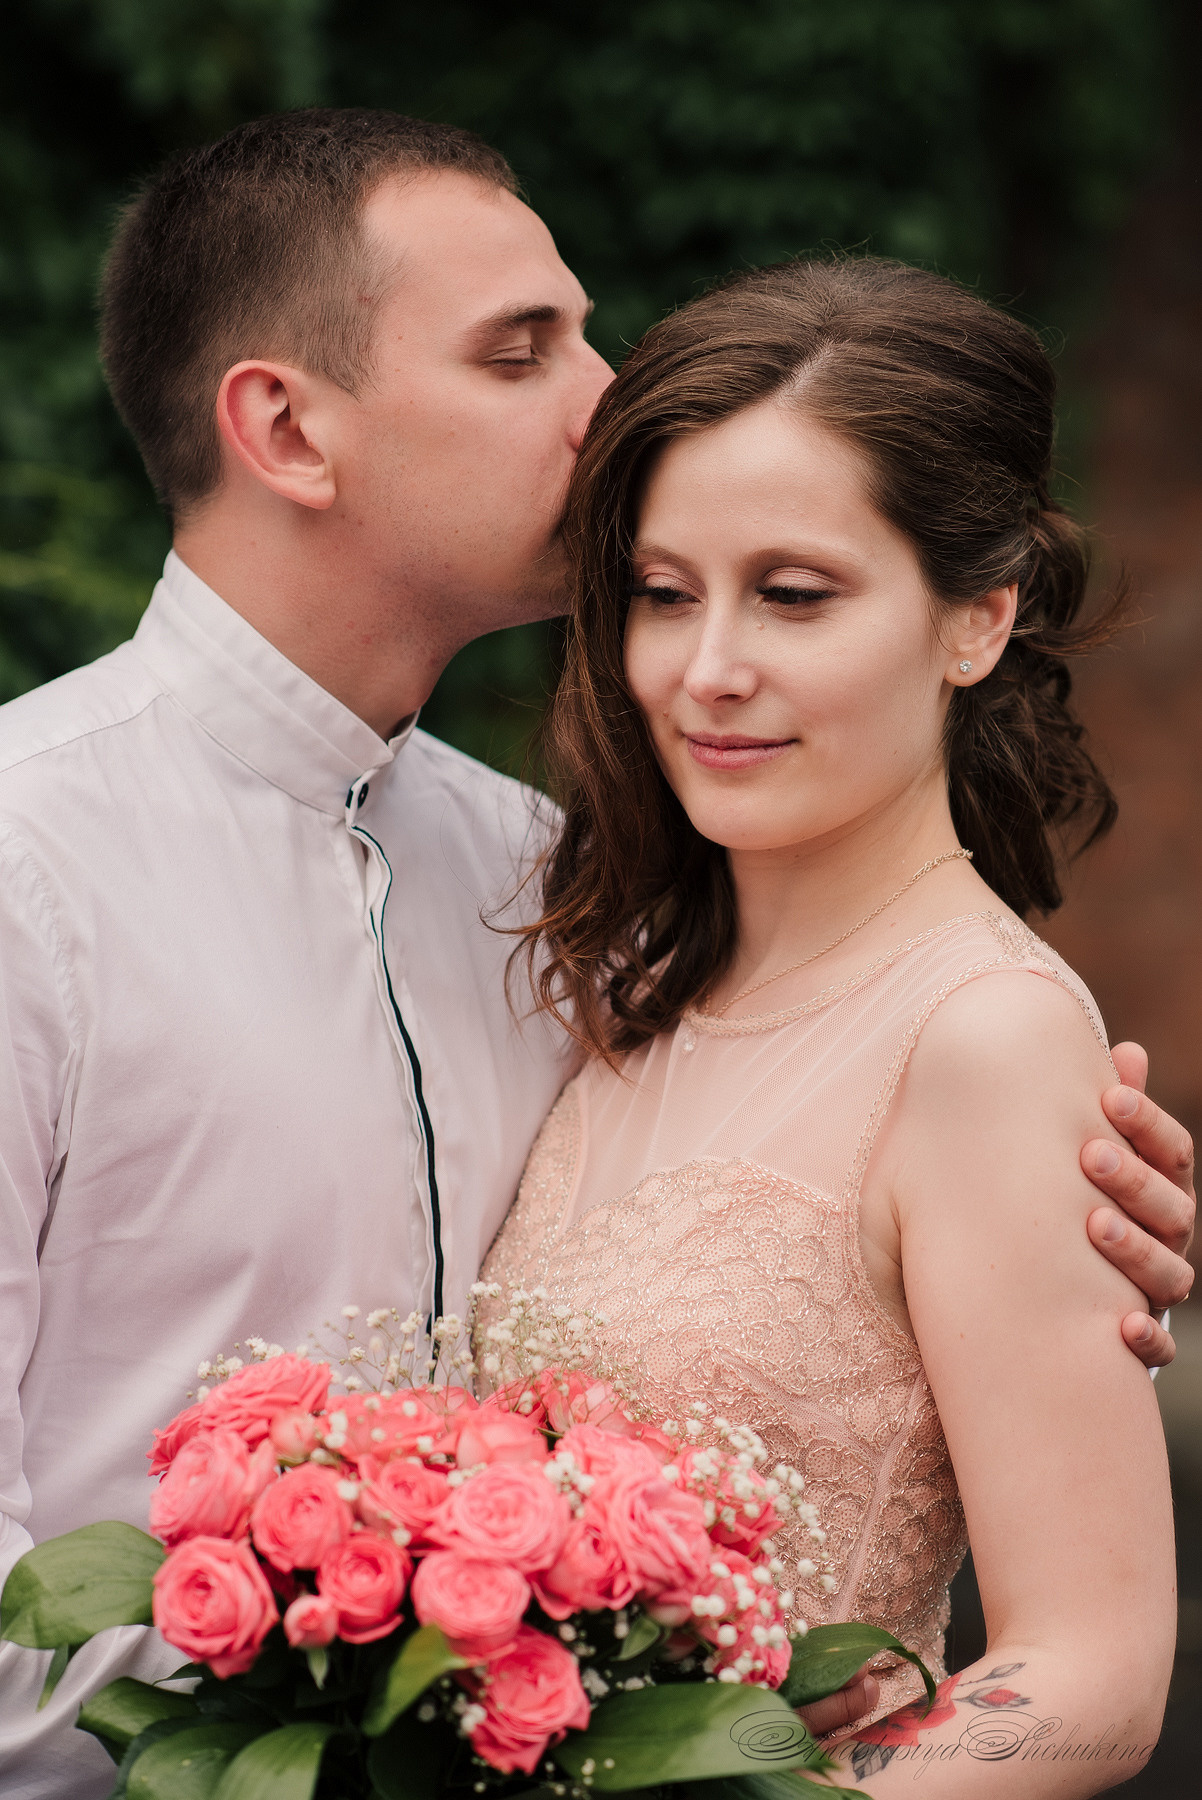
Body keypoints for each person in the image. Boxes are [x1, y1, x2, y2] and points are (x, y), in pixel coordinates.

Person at [0, 110, 1189, 1796]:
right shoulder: (36, 865)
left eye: (791, 592)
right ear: (283, 425)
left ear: (975, 615)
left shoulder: (536, 891)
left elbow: (1080, 1641)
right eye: (522, 349)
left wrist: (1069, 1238)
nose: (603, 394)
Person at [483, 257, 1178, 1794]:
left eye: (793, 595)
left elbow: (1092, 1678)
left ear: (973, 620)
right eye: (664, 596)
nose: (706, 671)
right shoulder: (618, 983)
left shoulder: (982, 1041)